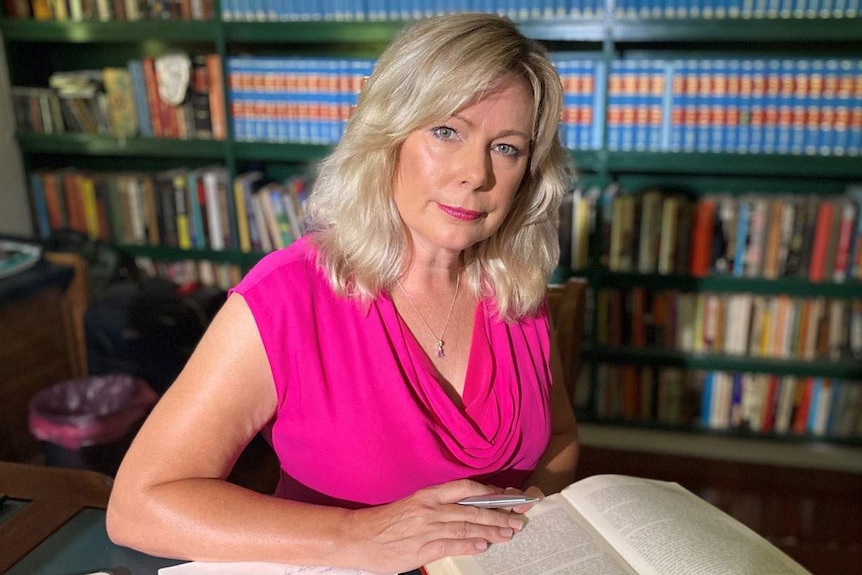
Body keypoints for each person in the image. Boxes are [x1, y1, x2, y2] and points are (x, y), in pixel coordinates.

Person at [106, 11, 578, 575]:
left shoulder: (517, 291)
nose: (476, 175)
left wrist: (530, 516)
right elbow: (139, 506)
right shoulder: (290, 296)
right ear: (389, 137)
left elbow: (561, 438)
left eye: (507, 148)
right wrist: (357, 535)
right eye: (447, 132)